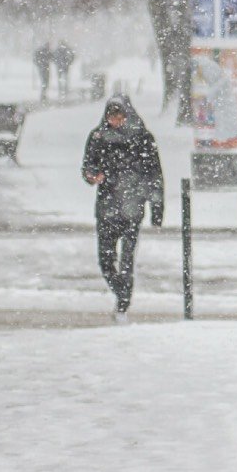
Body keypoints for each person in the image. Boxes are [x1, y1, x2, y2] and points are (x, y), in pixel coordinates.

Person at [82, 95, 164, 321]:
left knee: (127, 259)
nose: (115, 121)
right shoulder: (98, 137)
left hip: (132, 206)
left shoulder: (142, 139)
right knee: (106, 260)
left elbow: (154, 176)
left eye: (119, 116)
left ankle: (122, 305)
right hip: (107, 206)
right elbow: (88, 164)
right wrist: (92, 175)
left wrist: (157, 210)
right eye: (111, 116)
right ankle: (122, 293)